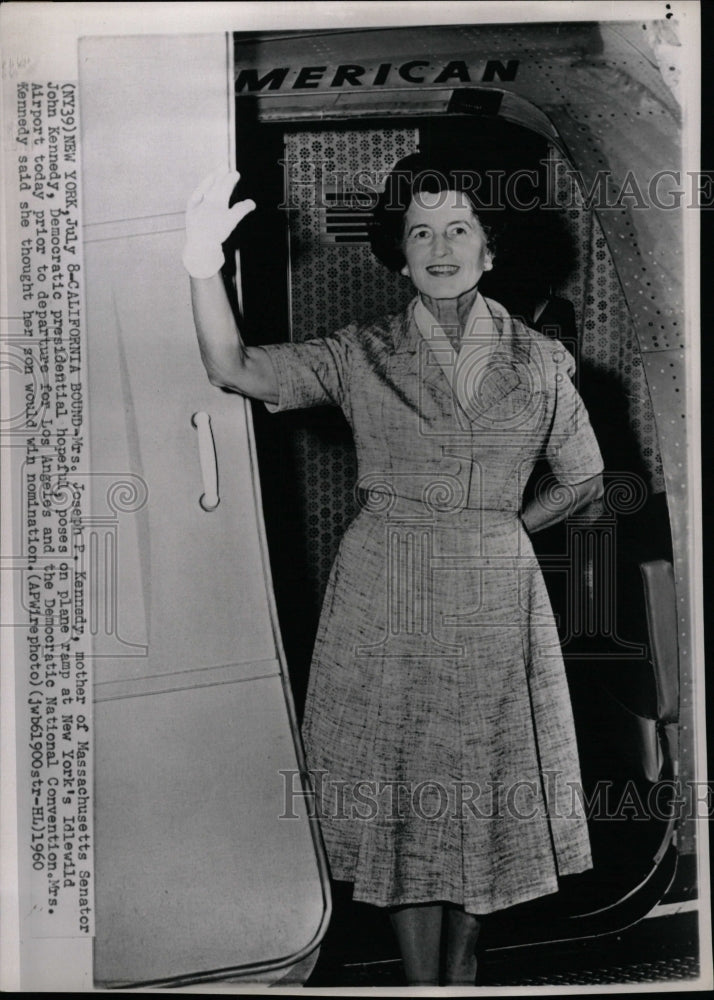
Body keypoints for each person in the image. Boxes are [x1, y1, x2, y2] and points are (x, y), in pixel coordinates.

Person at [182, 156, 605, 986]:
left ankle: (465, 959)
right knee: (407, 789)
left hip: (493, 589)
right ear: (401, 254)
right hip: (388, 589)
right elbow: (233, 367)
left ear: (491, 251)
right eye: (420, 231)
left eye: (459, 229)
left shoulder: (543, 361)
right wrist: (201, 266)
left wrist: (505, 528)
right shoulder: (360, 351)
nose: (438, 246)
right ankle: (423, 983)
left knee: (482, 780)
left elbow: (585, 476)